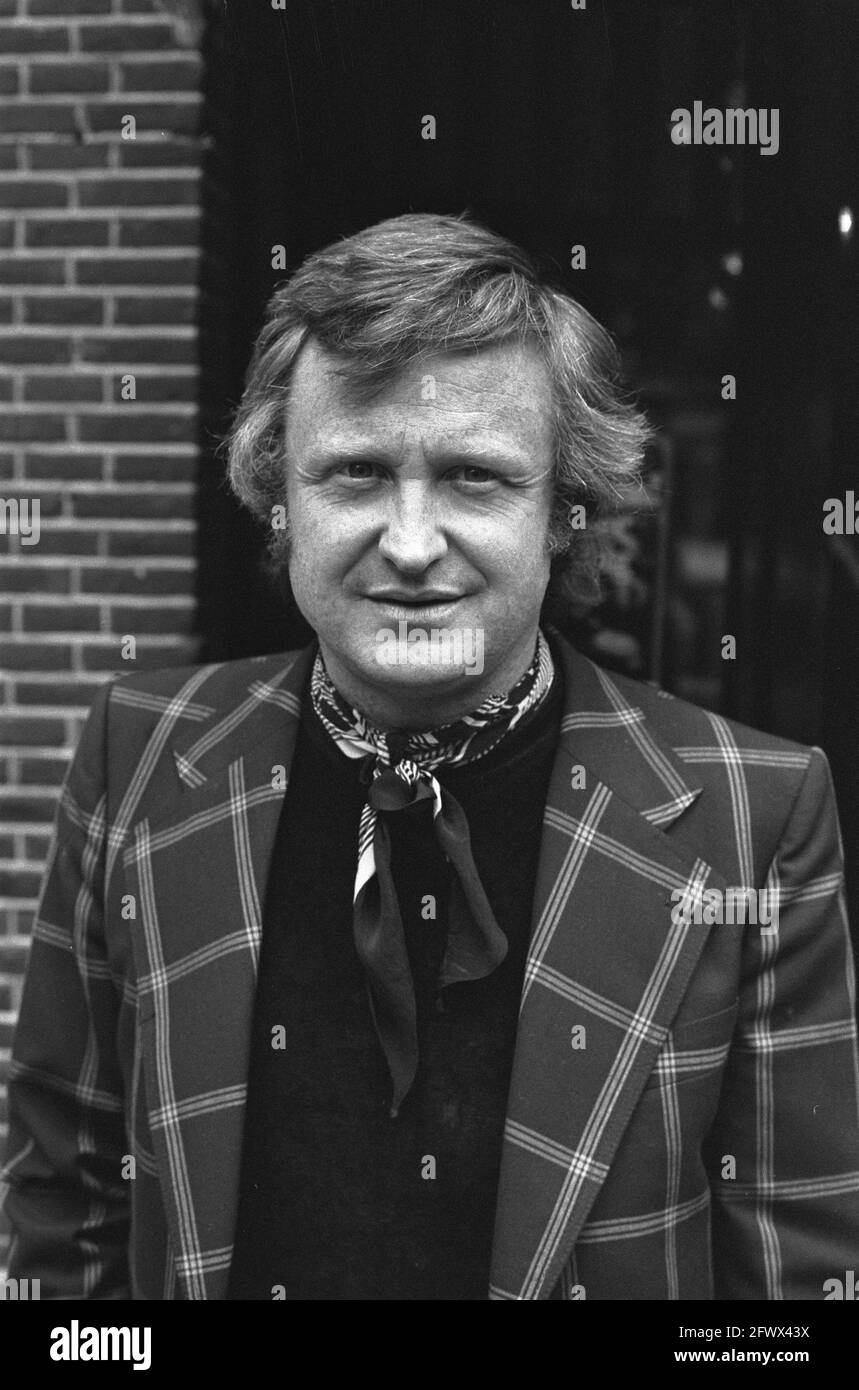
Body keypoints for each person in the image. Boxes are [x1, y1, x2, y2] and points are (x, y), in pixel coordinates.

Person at [3, 213, 858, 1301]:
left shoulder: (756, 817)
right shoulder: (140, 754)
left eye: (474, 477)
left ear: (564, 509)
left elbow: (797, 1287)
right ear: (280, 500)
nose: (410, 544)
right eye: (356, 473)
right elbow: (66, 1203)